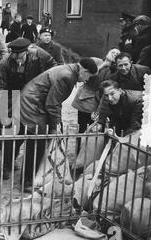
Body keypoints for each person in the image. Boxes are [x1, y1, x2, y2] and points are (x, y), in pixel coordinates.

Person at [20, 58, 98, 191]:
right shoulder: (66, 76)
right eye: (88, 76)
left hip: (36, 101)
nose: (86, 80)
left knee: (38, 139)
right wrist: (56, 126)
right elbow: (52, 104)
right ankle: (26, 181)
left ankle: (31, 176)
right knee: (38, 141)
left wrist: (57, 123)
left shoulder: (69, 70)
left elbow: (54, 102)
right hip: (33, 104)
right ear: (84, 71)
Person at [0, 38, 57, 178]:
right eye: (14, 56)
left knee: (32, 133)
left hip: (33, 100)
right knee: (10, 134)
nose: (16, 59)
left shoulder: (39, 57)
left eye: (20, 56)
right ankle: (7, 165)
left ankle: (27, 173)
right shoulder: (5, 64)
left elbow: (53, 67)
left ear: (27, 52)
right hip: (11, 98)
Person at [72, 48, 121, 135]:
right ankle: (80, 147)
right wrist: (104, 64)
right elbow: (86, 73)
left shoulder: (115, 70)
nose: (114, 54)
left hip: (102, 100)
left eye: (117, 53)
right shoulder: (96, 61)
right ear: (107, 53)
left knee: (96, 129)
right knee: (83, 127)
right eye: (113, 51)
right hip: (86, 98)